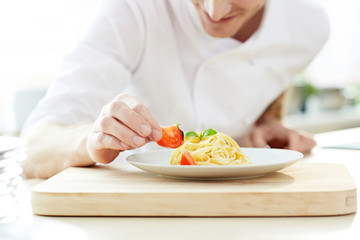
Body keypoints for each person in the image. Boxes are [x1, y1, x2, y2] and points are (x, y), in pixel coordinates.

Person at [21, 0, 329, 179]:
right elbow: (34, 148)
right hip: (138, 204)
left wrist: (263, 127)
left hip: (241, 200)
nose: (215, 11)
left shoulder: (308, 26)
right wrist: (91, 140)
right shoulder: (132, 10)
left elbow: (267, 83)